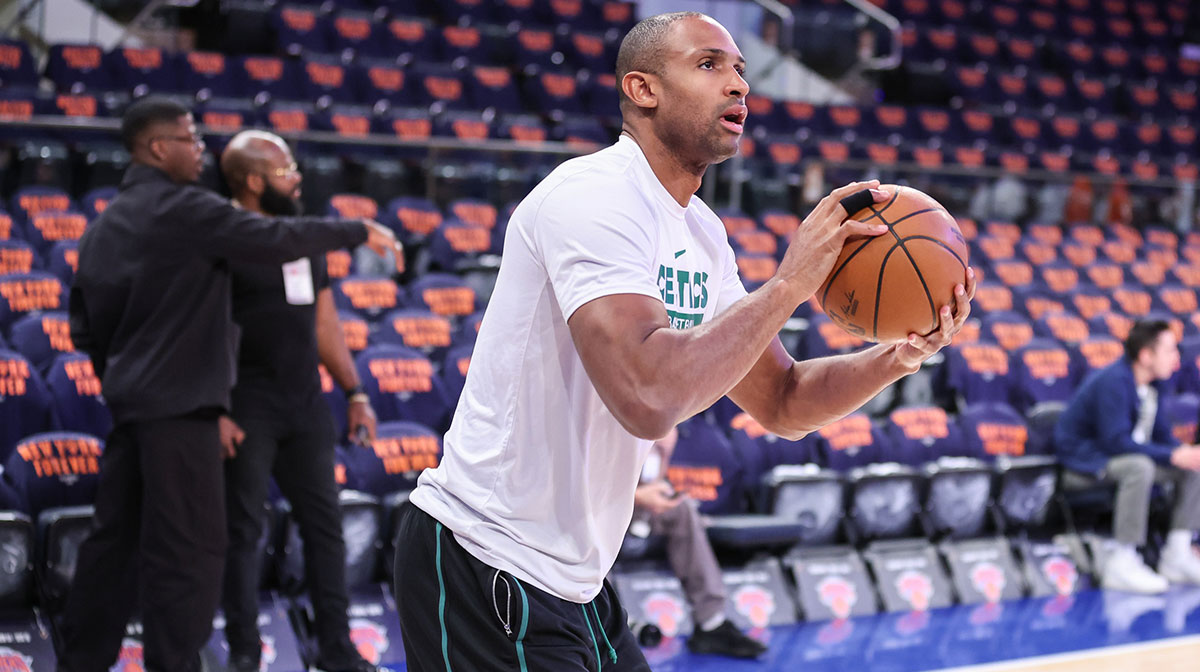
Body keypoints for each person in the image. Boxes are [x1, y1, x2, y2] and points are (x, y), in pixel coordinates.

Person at [392, 12, 974, 671]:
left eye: (741, 71)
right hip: (488, 558)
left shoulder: (702, 235)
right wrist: (787, 284)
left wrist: (901, 355)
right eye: (709, 65)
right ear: (643, 89)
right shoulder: (593, 196)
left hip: (575, 580)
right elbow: (645, 395)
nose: (738, 86)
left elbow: (782, 400)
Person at [59, 97, 399, 672]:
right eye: (191, 140)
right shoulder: (188, 211)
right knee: (190, 553)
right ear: (159, 147)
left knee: (110, 549)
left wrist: (125, 383)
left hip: (133, 414)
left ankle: (80, 664)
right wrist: (356, 229)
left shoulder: (101, 228)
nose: (201, 152)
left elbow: (84, 329)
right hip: (189, 414)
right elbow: (272, 239)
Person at [216, 130, 381, 672]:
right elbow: (202, 331)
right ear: (255, 181)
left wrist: (354, 391)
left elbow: (325, 322)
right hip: (245, 404)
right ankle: (244, 652)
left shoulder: (301, 239)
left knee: (325, 526)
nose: (298, 180)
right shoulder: (225, 241)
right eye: (287, 172)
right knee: (243, 530)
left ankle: (337, 647)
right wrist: (215, 409)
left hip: (304, 402)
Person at [1055, 319, 1200, 594]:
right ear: (1146, 355)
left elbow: (1162, 437)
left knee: (1193, 466)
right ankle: (1123, 559)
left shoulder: (1154, 386)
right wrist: (1172, 454)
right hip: (1084, 466)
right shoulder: (1114, 381)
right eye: (1170, 350)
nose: (1177, 357)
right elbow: (1116, 443)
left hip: (1118, 460)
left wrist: (1184, 453)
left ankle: (1177, 554)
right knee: (1140, 466)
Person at [629, 427, 765, 657]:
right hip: (598, 509)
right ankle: (597, 622)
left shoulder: (658, 423)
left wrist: (653, 488)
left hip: (635, 508)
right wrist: (637, 496)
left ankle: (711, 623)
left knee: (682, 509)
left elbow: (651, 477)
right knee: (588, 526)